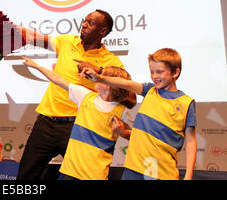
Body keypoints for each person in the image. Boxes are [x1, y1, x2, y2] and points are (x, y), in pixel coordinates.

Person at [17, 10, 136, 180]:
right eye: (85, 21)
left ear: (103, 31)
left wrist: (100, 73)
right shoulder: (68, 41)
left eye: (91, 23)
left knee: (78, 177)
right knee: (25, 178)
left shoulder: (111, 61)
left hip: (76, 127)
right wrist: (11, 27)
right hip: (46, 122)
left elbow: (131, 100)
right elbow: (36, 38)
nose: (85, 25)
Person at [81, 48, 197, 180]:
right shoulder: (150, 91)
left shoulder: (186, 103)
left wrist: (188, 175)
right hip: (133, 169)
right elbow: (125, 83)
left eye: (159, 72)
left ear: (175, 72)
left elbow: (191, 141)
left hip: (162, 173)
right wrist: (100, 78)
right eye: (152, 72)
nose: (154, 76)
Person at [22, 57, 134, 180]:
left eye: (102, 77)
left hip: (96, 176)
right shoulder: (84, 96)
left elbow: (138, 136)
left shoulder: (121, 111)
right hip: (70, 172)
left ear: (111, 85)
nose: (97, 77)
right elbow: (58, 79)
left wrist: (123, 133)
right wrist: (37, 66)